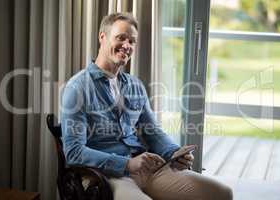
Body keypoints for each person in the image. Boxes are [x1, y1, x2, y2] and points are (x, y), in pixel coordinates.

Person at [61, 12, 233, 200]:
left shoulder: (135, 85)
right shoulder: (77, 88)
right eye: (120, 38)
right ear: (102, 37)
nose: (126, 46)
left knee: (221, 193)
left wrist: (174, 152)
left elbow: (153, 131)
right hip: (107, 176)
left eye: (132, 41)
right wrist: (127, 164)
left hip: (147, 169)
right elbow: (74, 152)